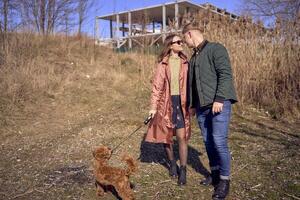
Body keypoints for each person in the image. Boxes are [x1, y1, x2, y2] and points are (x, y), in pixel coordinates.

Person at [182, 22, 237, 199]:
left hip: (218, 104)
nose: (185, 42)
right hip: (201, 108)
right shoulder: (194, 58)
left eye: (184, 39)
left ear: (189, 34)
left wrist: (220, 98)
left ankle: (224, 180)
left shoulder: (215, 48)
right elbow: (193, 85)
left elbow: (225, 74)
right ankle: (214, 175)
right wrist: (191, 105)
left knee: (219, 141)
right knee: (208, 141)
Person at [145, 34, 191, 185]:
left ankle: (183, 170)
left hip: (182, 103)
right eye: (178, 41)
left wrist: (194, 105)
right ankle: (172, 163)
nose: (181, 43)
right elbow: (157, 88)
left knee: (182, 137)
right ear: (170, 45)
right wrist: (153, 108)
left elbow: (192, 86)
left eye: (181, 41)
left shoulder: (186, 63)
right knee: (167, 137)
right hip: (166, 103)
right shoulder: (163, 64)